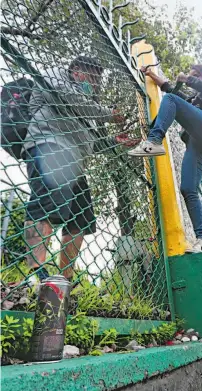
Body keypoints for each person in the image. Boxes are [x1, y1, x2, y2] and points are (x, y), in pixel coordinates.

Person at [23, 56, 139, 282]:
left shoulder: (89, 105)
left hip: (75, 163)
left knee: (81, 219)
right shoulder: (56, 74)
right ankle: (34, 275)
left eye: (98, 79)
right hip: (50, 146)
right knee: (46, 204)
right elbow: (64, 97)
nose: (95, 83)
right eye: (93, 75)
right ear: (76, 69)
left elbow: (93, 143)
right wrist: (108, 113)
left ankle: (63, 281)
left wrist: (115, 142)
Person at [129, 64, 202, 253]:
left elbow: (198, 86)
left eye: (195, 77)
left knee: (171, 100)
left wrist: (187, 78)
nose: (191, 82)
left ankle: (154, 141)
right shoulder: (192, 100)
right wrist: (150, 74)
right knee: (188, 189)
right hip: (198, 144)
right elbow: (168, 87)